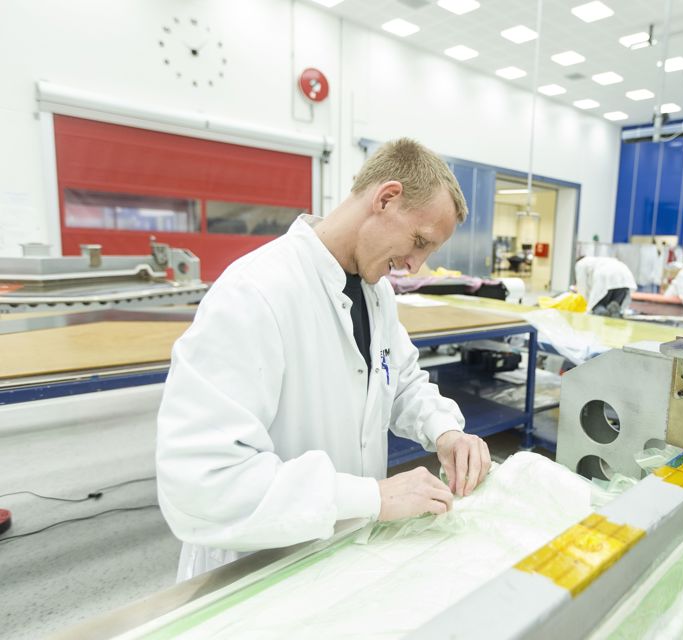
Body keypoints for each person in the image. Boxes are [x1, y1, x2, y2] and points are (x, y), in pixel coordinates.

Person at [156, 139, 492, 581]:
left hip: (338, 551)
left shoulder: (376, 292)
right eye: (419, 241)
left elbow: (400, 379)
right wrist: (371, 498)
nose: (414, 265)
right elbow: (201, 482)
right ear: (386, 198)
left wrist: (445, 430)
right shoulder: (256, 293)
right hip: (254, 567)